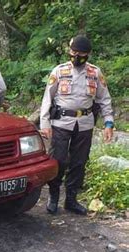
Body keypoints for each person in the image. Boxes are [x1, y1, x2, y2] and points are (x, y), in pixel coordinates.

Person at [40, 35, 114, 215]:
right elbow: (47, 98)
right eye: (74, 52)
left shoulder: (95, 73)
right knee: (58, 160)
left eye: (81, 53)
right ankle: (54, 196)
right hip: (61, 123)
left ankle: (71, 200)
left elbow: (104, 99)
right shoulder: (59, 71)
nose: (77, 56)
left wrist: (108, 123)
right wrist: (44, 123)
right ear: (69, 51)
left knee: (79, 162)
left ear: (88, 54)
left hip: (85, 124)